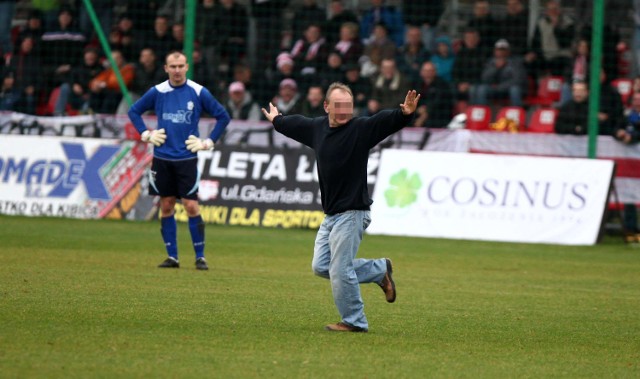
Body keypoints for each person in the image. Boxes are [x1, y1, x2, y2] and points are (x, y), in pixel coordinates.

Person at [261, 83, 420, 332]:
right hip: (332, 216)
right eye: (339, 105)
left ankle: (354, 321)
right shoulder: (317, 129)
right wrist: (277, 120)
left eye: (348, 105)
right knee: (322, 266)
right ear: (326, 107)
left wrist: (404, 114)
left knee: (339, 269)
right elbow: (295, 124)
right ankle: (379, 270)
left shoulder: (361, 129)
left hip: (353, 212)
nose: (345, 110)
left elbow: (384, 121)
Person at [127, 51, 231, 270]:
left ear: (187, 67)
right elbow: (134, 111)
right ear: (166, 68)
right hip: (162, 158)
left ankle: (200, 256)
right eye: (172, 66)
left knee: (191, 206)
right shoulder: (158, 91)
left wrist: (208, 142)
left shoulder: (198, 91)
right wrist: (145, 134)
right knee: (166, 206)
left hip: (186, 159)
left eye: (180, 66)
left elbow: (223, 116)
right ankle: (172, 257)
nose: (176, 70)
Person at [615, 91, 640, 242]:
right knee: (630, 191)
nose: (637, 102)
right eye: (635, 99)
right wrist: (619, 132)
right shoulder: (626, 116)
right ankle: (631, 230)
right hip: (630, 163)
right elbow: (613, 126)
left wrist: (634, 136)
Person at [475, 39, 527, 107]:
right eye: (498, 49)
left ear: (508, 51)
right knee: (481, 89)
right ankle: (482, 112)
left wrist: (500, 86)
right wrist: (495, 68)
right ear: (495, 51)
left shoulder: (516, 62)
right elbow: (484, 78)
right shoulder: (490, 62)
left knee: (515, 89)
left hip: (508, 88)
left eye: (503, 50)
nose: (501, 52)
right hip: (494, 89)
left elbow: (518, 80)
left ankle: (517, 111)